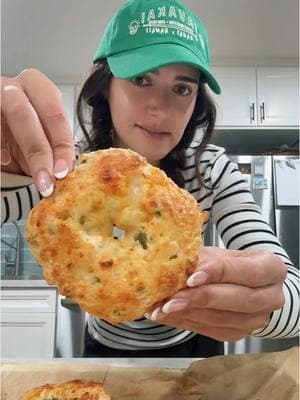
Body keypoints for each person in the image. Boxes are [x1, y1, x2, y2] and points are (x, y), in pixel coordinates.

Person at [1, 0, 298, 358]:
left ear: (196, 102)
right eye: (141, 79)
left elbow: (291, 291)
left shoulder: (212, 170)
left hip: (196, 348)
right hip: (105, 349)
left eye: (182, 88)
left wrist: (263, 307)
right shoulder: (67, 172)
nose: (160, 107)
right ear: (105, 86)